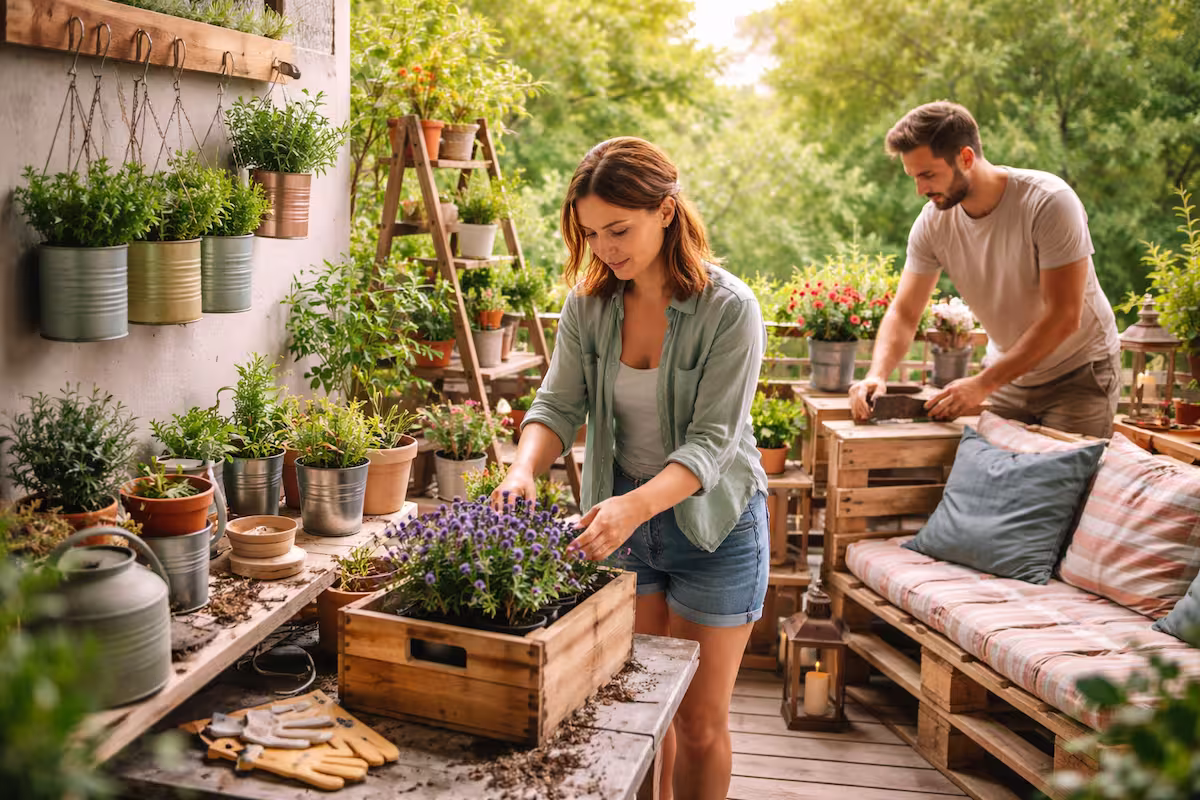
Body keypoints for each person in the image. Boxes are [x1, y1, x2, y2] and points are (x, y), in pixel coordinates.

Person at [492, 137, 769, 800]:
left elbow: (711, 444)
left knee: (698, 724)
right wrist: (522, 470)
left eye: (618, 230)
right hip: (619, 527)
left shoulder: (730, 310)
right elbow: (556, 405)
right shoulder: (589, 306)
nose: (604, 249)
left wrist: (632, 507)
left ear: (666, 211)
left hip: (715, 531)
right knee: (637, 717)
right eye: (590, 234)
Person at [848, 101, 1121, 438]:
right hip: (1008, 378)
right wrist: (877, 374)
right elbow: (904, 313)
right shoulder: (932, 224)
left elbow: (1064, 315)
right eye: (914, 177)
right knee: (993, 470)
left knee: (1065, 473)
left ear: (965, 158)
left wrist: (982, 384)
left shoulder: (1049, 202)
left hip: (1078, 374)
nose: (920, 190)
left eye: (928, 175)